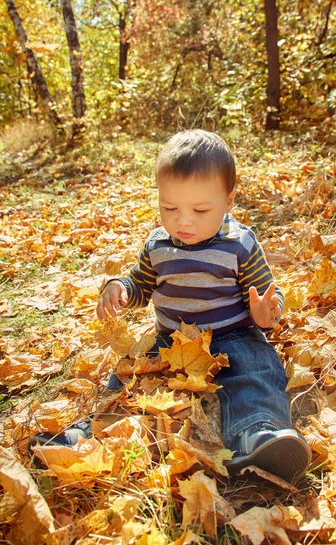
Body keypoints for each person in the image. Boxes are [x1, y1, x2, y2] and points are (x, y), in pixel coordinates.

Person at [95, 129, 311, 483]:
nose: (183, 220)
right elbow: (141, 286)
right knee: (128, 375)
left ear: (228, 200)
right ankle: (95, 431)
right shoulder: (157, 245)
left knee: (255, 369)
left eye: (199, 209)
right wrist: (120, 286)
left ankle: (258, 433)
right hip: (172, 341)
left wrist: (266, 313)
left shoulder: (239, 243)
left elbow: (266, 291)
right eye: (169, 208)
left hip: (233, 336)